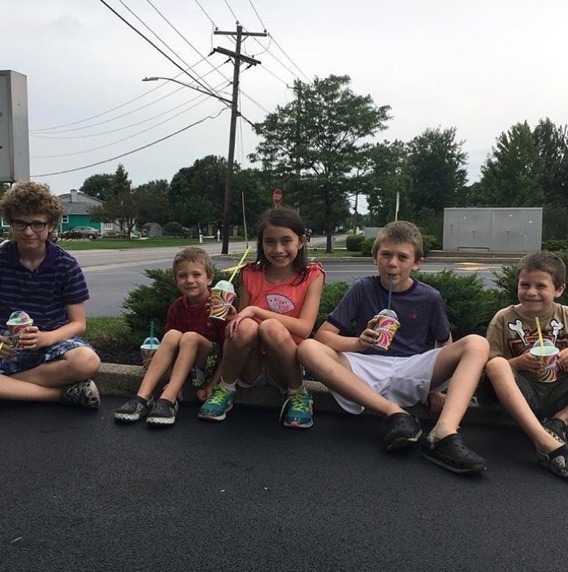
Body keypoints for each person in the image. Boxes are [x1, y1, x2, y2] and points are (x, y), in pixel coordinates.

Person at [297, 221, 489, 474]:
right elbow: (324, 336)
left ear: (417, 263)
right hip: (365, 367)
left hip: (413, 367)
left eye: (402, 257)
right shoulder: (363, 288)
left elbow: (444, 343)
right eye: (386, 255)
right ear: (375, 257)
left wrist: (439, 389)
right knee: (307, 348)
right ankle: (396, 414)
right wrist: (358, 342)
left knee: (477, 343)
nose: (392, 263)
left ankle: (444, 433)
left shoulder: (429, 297)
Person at [198, 207, 325, 428]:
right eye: (270, 242)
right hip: (252, 366)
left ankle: (298, 393)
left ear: (301, 241)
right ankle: (226, 389)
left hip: (285, 366)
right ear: (261, 243)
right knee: (244, 326)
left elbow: (304, 328)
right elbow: (243, 322)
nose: (278, 249)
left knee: (271, 327)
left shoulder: (312, 275)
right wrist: (234, 316)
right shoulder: (250, 273)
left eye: (286, 241)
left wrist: (257, 312)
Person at [0, 181, 101, 408]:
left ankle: (10, 386)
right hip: (7, 342)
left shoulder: (66, 265)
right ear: (11, 222)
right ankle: (61, 395)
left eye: (37, 224)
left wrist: (46, 338)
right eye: (20, 223)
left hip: (53, 338)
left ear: (51, 225)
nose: (28, 232)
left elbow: (78, 324)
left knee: (87, 361)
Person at [114, 247, 226, 426]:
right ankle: (142, 397)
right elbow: (171, 349)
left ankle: (168, 399)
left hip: (209, 367)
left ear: (209, 278)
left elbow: (229, 351)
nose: (190, 280)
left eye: (196, 274)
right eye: (183, 276)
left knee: (189, 337)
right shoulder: (176, 308)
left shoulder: (218, 306)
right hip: (185, 367)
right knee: (172, 335)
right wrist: (173, 378)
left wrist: (214, 384)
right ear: (176, 281)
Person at [484, 251, 568, 479]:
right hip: (522, 393)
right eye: (525, 285)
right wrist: (518, 363)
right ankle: (542, 439)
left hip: (560, 392)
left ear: (559, 290)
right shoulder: (504, 318)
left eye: (541, 286)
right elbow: (488, 366)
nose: (531, 292)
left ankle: (559, 422)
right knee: (497, 365)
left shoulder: (565, 315)